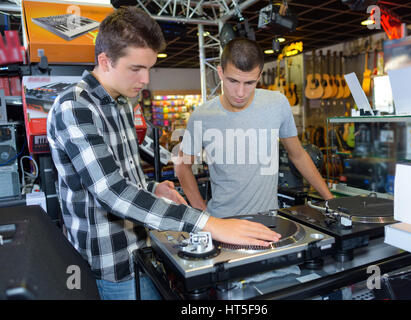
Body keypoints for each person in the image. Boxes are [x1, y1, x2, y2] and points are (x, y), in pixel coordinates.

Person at [47, 8, 280, 300]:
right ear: (105, 61)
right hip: (113, 267)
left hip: (142, 251)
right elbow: (111, 192)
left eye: (149, 68)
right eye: (136, 68)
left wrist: (154, 187)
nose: (145, 80)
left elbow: (123, 176)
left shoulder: (120, 104)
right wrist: (209, 223)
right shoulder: (75, 107)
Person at [175, 38, 333, 218]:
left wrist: (330, 200)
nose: (240, 93)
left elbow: (298, 155)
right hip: (223, 221)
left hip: (268, 220)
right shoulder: (201, 116)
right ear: (220, 72)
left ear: (259, 76)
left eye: (249, 83)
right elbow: (182, 166)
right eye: (233, 81)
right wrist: (203, 215)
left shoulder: (277, 103)